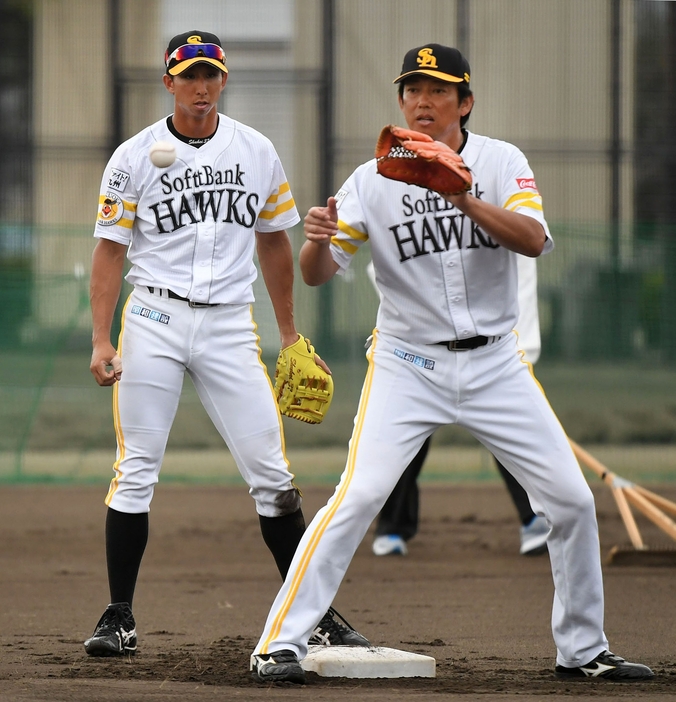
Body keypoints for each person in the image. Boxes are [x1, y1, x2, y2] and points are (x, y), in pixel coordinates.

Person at [249, 43, 654, 683]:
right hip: (408, 364)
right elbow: (320, 274)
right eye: (411, 89)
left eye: (438, 90)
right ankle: (279, 643)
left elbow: (533, 241)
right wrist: (317, 242)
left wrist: (463, 198)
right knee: (357, 498)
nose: (421, 100)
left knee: (572, 502)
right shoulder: (371, 178)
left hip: (496, 364)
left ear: (464, 103)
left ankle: (583, 651)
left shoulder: (500, 161)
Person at [84, 30, 368, 657]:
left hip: (230, 325)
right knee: (135, 472)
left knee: (273, 476)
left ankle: (311, 614)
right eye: (189, 75)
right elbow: (109, 251)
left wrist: (290, 334)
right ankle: (119, 616)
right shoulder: (133, 156)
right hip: (154, 319)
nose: (201, 86)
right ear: (169, 83)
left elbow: (274, 241)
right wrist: (102, 339)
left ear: (223, 80)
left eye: (210, 73)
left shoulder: (258, 151)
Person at [370, 256, 550, 557]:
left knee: (512, 437)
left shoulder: (509, 221)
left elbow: (521, 280)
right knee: (405, 439)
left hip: (494, 350)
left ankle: (535, 518)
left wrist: (522, 355)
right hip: (420, 352)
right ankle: (391, 526)